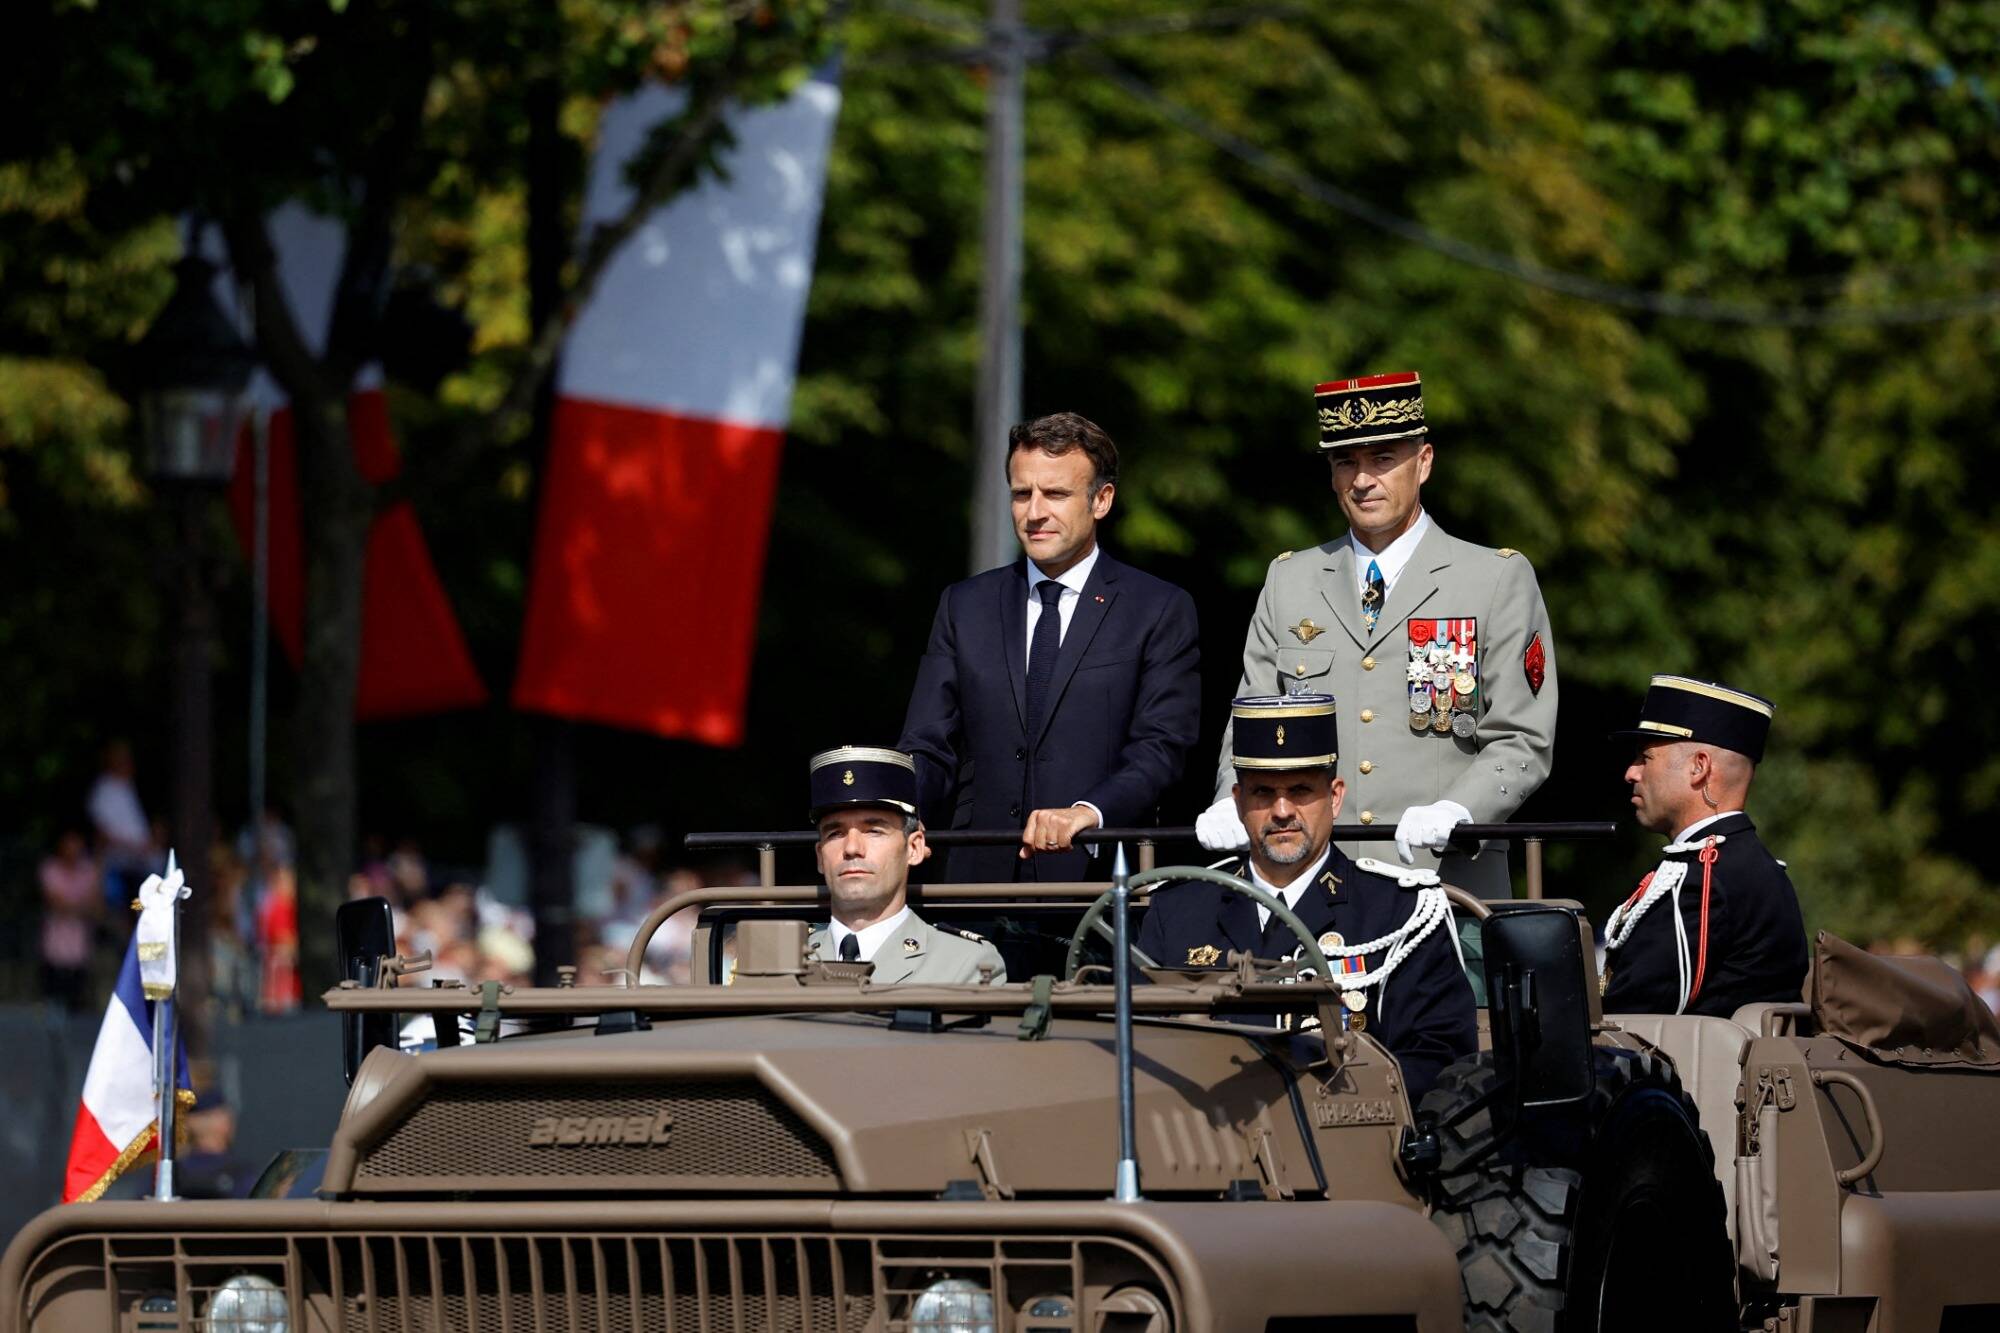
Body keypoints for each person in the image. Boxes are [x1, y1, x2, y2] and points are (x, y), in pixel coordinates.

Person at [1196, 373, 1558, 899]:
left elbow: (1522, 737)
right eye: (1346, 462)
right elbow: (1252, 719)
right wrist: (1231, 797)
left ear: (1425, 462)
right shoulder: (1290, 579)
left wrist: (1462, 809)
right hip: (1314, 887)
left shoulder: (1494, 578)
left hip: (1444, 883)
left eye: (1383, 459)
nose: (1363, 479)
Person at [900, 412, 1201, 881]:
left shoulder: (1157, 609)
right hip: (977, 884)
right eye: (1022, 494)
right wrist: (899, 812)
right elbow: (928, 743)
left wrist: (1089, 811)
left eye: (1056, 494)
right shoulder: (965, 605)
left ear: (1101, 500)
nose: (1034, 512)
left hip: (1099, 884)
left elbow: (1161, 748)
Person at [1141, 694, 1475, 1100]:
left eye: (1300, 790)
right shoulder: (1178, 910)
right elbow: (1133, 1051)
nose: (1282, 811)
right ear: (1239, 801)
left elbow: (1438, 1059)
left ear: (1335, 797)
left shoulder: (1400, 913)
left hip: (1343, 1138)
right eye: (1263, 792)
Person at [1600, 675, 1808, 1016]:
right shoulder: (1746, 865)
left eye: (1644, 757)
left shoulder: (1705, 878)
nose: (1630, 773)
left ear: (1699, 767)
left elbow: (1633, 1013)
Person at [805, 746, 1007, 983]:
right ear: (820, 856)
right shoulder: (777, 957)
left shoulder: (965, 962)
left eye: (874, 831)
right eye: (835, 834)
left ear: (914, 848)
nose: (851, 848)